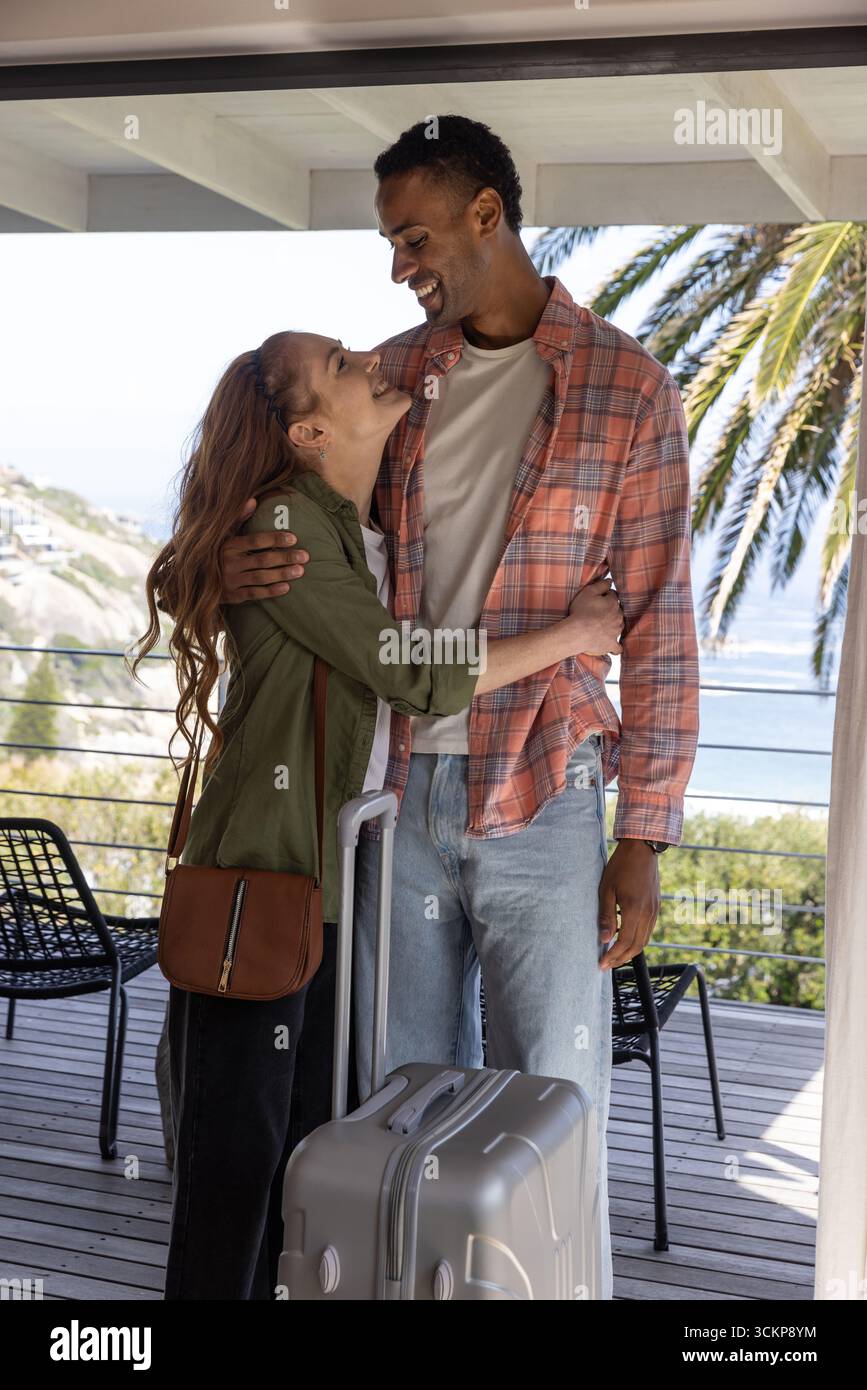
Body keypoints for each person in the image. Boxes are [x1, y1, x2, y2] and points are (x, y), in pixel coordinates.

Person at [217, 117, 701, 1300]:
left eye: (414, 236)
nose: (398, 266)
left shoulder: (629, 391)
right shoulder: (396, 375)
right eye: (391, 242)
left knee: (554, 1101)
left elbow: (662, 623)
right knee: (398, 1099)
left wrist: (644, 837)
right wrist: (228, 568)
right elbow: (281, 491)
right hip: (393, 801)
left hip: (546, 790)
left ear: (489, 215)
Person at [133, 327, 624, 1300]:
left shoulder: (356, 536)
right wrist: (573, 634)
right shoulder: (286, 521)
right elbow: (409, 675)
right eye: (343, 365)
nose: (370, 362)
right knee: (234, 1175)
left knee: (303, 1157)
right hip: (259, 887)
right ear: (311, 428)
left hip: (319, 892)